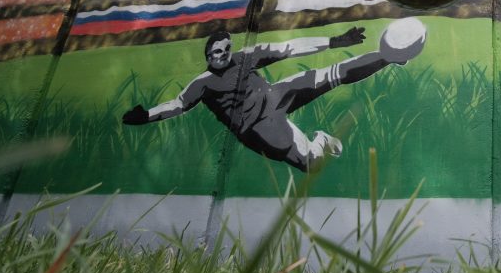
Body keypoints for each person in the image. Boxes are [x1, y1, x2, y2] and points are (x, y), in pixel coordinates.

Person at [122, 24, 422, 172]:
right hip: (256, 128)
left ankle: (388, 57)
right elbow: (177, 104)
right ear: (207, 56)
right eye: (216, 53)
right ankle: (320, 139)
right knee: (311, 165)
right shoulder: (203, 84)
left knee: (334, 74)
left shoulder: (246, 57)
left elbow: (290, 48)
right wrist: (146, 115)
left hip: (275, 95)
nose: (222, 56)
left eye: (226, 50)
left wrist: (335, 41)